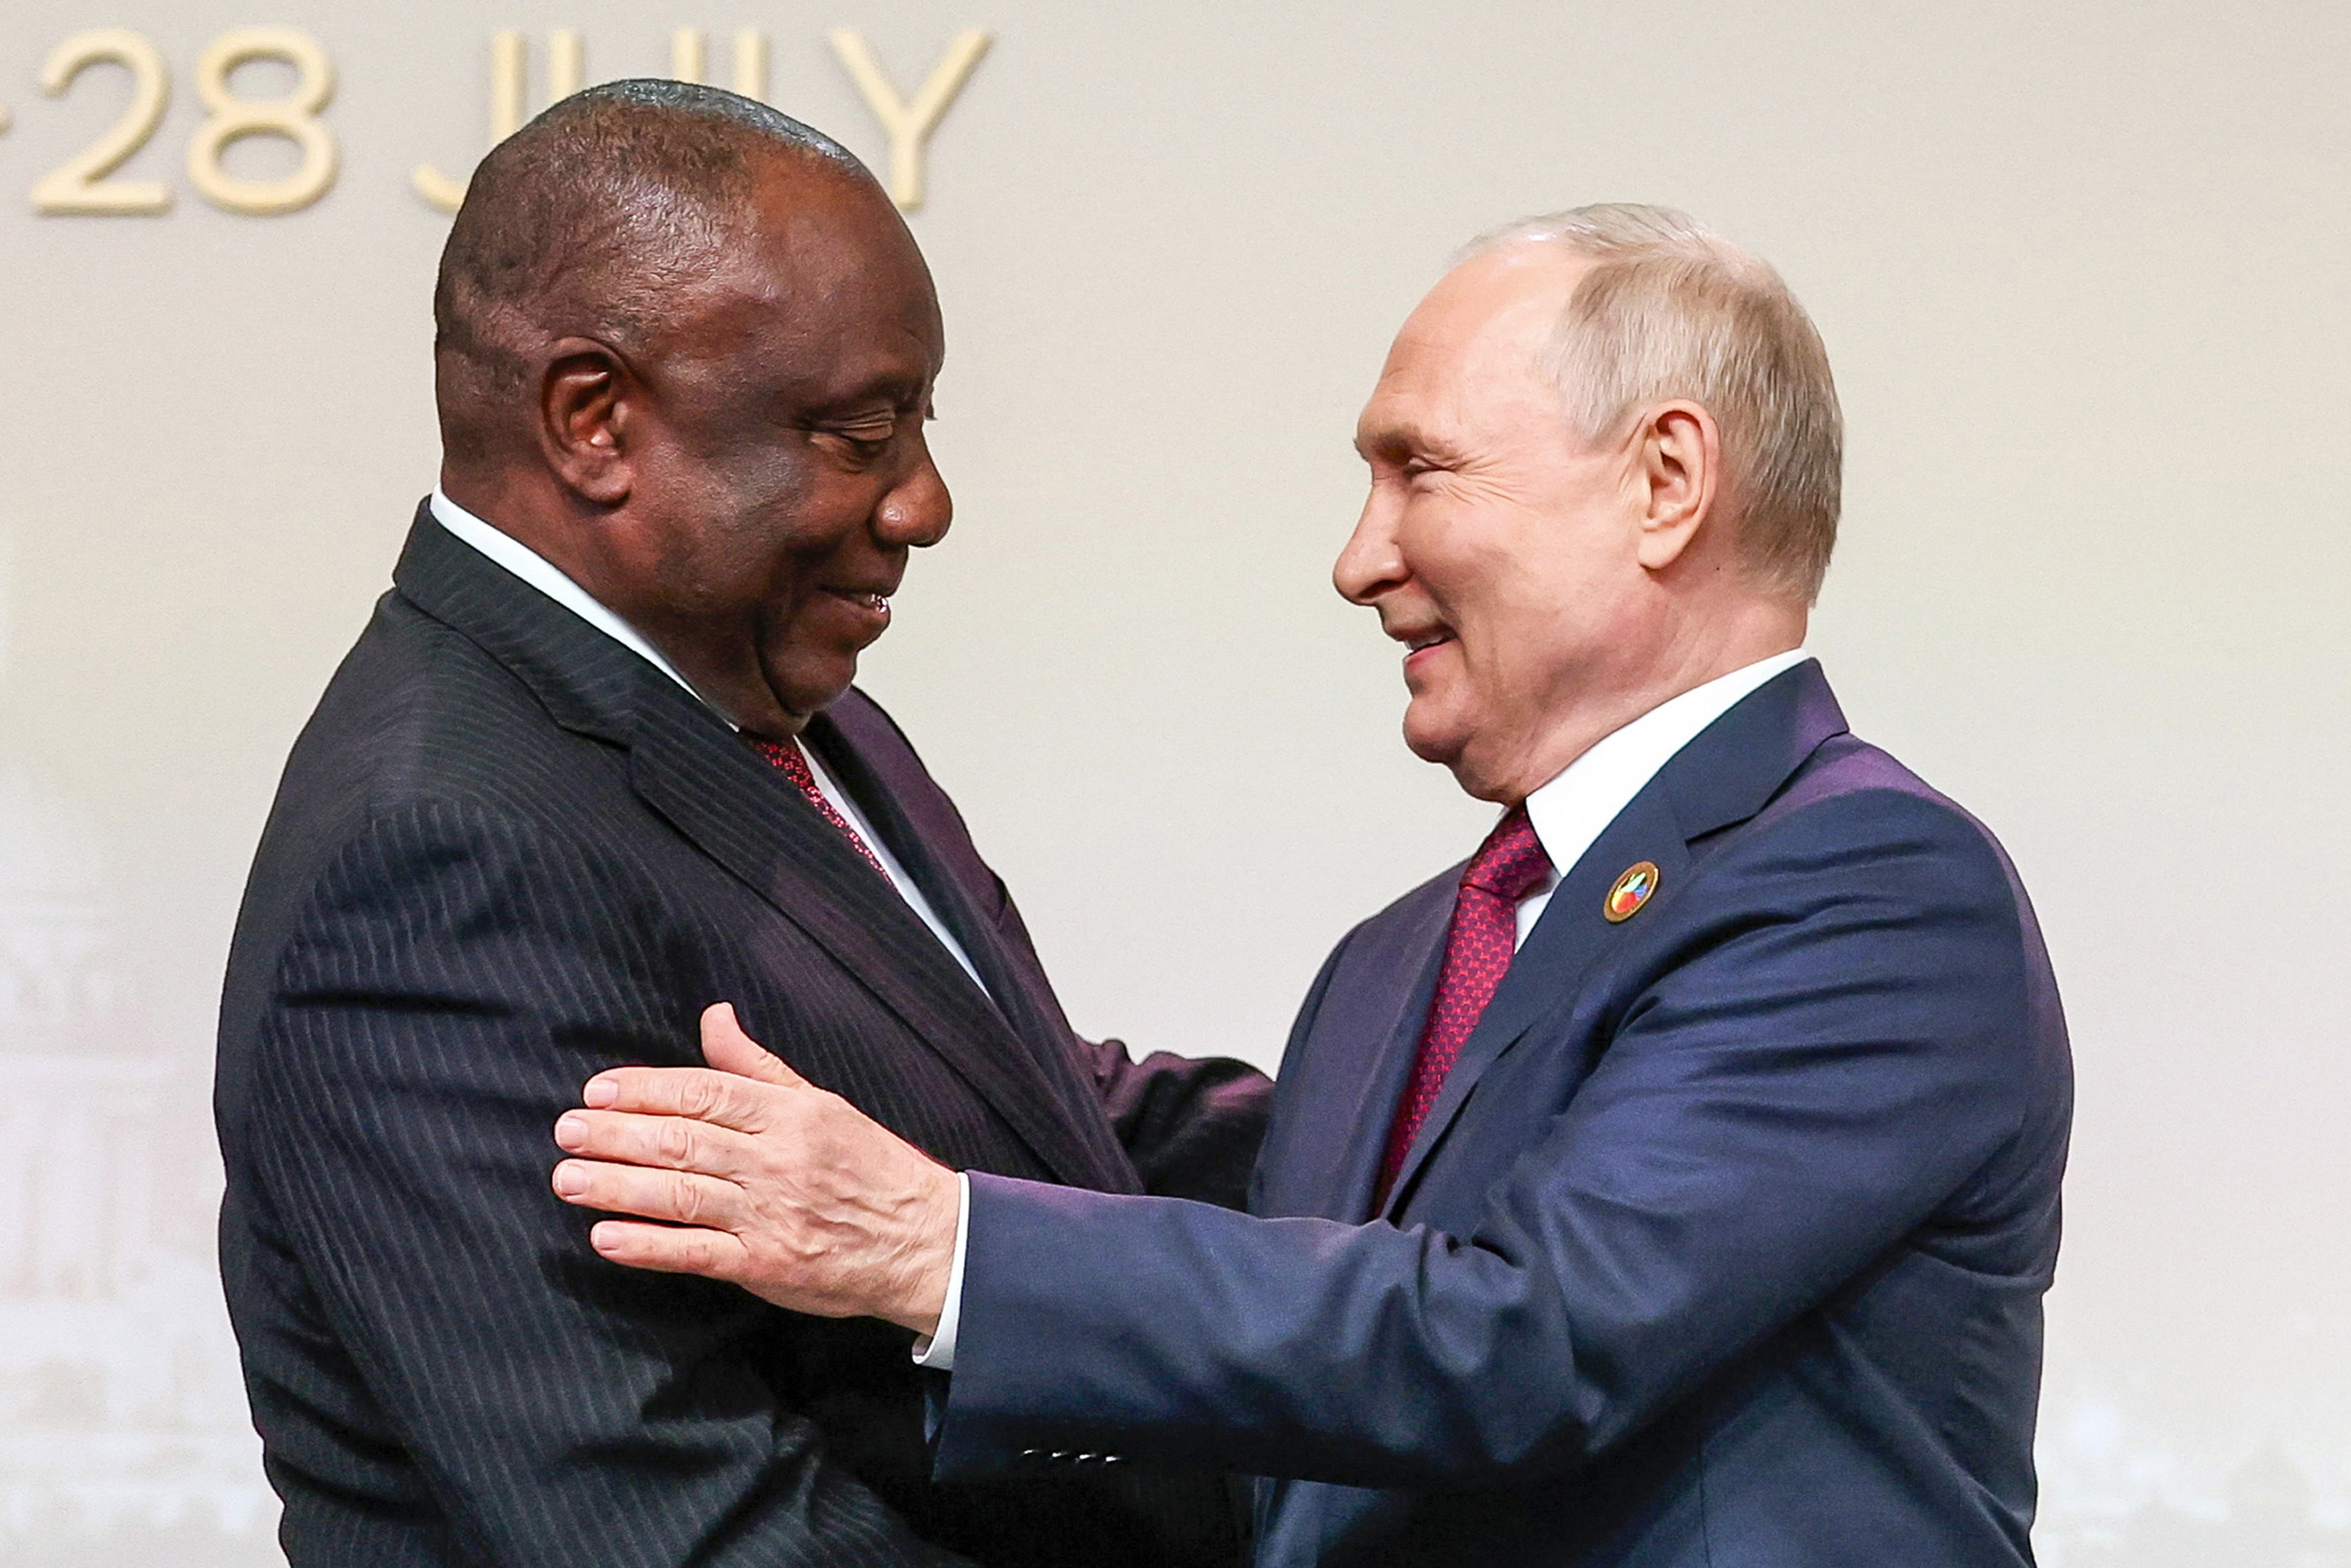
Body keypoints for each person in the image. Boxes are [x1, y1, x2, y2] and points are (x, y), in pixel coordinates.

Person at [550, 204, 2074, 1567]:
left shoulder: (1864, 882)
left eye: (1419, 471)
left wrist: (939, 1248)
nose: (1359, 559)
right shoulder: (1398, 961)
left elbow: (1523, 1343)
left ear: (1665, 480)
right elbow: (1286, 1368)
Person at [214, 80, 1265, 1568]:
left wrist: (1484, 1134)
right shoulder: (441, 855)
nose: (925, 501)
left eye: (919, 422)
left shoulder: (774, 703)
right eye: (858, 432)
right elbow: (677, 1526)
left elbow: (1035, 1114)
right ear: (594, 420)